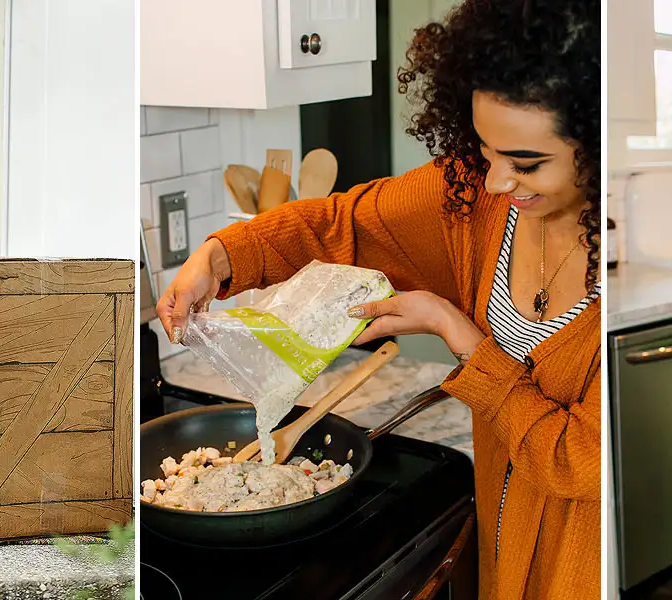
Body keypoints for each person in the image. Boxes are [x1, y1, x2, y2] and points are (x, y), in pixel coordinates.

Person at [155, 1, 599, 597]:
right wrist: (220, 256)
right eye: (486, 151)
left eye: (525, 163)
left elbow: (578, 461)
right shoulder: (478, 195)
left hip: (583, 556)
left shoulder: (626, 270)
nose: (495, 181)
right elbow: (344, 223)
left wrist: (458, 333)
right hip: (499, 527)